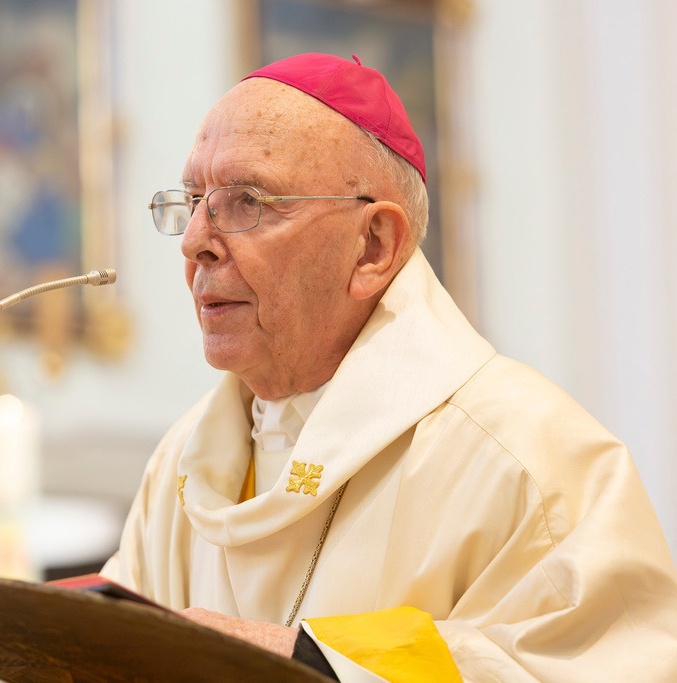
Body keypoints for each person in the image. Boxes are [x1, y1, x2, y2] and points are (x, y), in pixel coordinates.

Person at [100, 53, 677, 680]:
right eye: (192, 201)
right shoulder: (182, 465)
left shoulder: (529, 460)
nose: (194, 241)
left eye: (249, 202)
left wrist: (289, 661)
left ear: (372, 246)